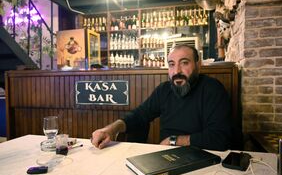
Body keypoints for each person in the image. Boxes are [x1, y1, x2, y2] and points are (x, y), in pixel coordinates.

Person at [91, 44, 234, 151]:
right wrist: (111, 129)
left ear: (198, 65)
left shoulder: (212, 89)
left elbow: (220, 138)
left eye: (184, 63)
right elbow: (139, 115)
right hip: (165, 157)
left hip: (203, 157)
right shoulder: (164, 89)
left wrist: (174, 141)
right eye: (172, 65)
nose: (177, 71)